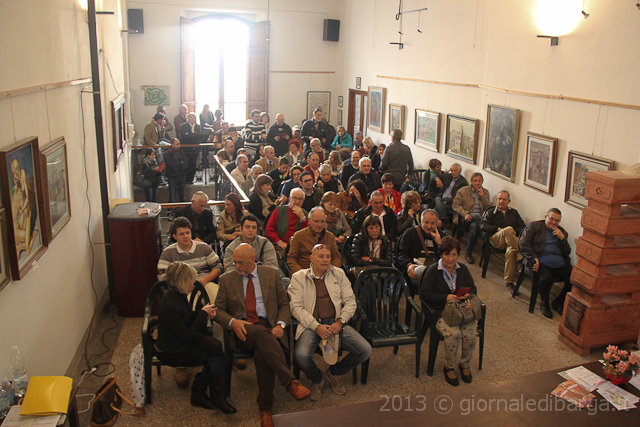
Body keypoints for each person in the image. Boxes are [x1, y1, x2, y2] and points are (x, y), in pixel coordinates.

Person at [214, 244, 311, 427]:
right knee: (260, 334)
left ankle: (265, 409)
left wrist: (280, 324)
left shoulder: (271, 274)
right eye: (235, 263)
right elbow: (218, 310)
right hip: (243, 328)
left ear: (252, 259)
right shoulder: (227, 279)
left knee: (262, 354)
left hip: (269, 325)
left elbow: (284, 304)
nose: (237, 266)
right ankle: (291, 381)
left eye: (241, 262)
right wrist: (233, 322)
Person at [288, 244, 372, 402]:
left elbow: (350, 301)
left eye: (328, 256)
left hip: (336, 323)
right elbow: (296, 308)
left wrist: (341, 321)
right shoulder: (299, 277)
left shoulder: (338, 273)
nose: (325, 259)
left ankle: (334, 373)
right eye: (321, 256)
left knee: (365, 350)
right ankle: (317, 378)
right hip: (311, 324)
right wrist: (316, 326)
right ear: (312, 259)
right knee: (301, 356)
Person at [155, 262, 236, 413]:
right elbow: (186, 336)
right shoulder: (170, 305)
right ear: (181, 283)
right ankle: (201, 392)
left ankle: (216, 395)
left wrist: (202, 313)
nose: (194, 283)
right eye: (190, 281)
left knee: (217, 346)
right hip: (172, 350)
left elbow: (185, 317)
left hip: (180, 339)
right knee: (213, 357)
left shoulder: (177, 296)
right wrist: (203, 315)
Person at [419, 237, 478, 387]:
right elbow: (424, 293)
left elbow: (473, 289)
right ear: (441, 254)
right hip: (441, 311)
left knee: (471, 334)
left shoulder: (463, 269)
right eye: (447, 254)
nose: (450, 259)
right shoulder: (433, 271)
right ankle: (449, 366)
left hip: (461, 311)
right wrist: (446, 297)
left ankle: (464, 364)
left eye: (454, 254)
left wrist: (466, 295)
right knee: (454, 334)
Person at [519, 208, 573, 319]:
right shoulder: (534, 226)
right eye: (551, 219)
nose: (554, 222)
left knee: (574, 277)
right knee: (546, 278)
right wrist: (534, 257)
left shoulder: (561, 232)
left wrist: (562, 239)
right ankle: (545, 303)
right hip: (539, 262)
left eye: (557, 220)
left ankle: (559, 301)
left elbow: (567, 252)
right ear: (545, 217)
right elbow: (523, 244)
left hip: (558, 264)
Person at [480, 191, 526, 290]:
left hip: (510, 241)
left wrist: (512, 232)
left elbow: (523, 227)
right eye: (499, 199)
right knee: (508, 229)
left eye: (504, 199)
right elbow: (483, 226)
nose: (501, 201)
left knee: (511, 251)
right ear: (497, 199)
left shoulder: (514, 213)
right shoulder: (491, 212)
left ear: (509, 201)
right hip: (496, 239)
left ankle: (509, 282)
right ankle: (521, 258)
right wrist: (497, 229)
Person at [287, 207, 341, 274]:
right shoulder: (298, 236)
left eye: (322, 221)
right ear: (309, 221)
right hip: (304, 272)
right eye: (316, 221)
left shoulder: (330, 237)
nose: (319, 225)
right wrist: (301, 274)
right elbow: (291, 259)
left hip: (326, 273)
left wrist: (332, 272)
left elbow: (336, 257)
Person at [453, 172, 491, 265]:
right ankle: (485, 238)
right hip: (464, 218)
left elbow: (489, 209)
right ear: (471, 181)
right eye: (475, 181)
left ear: (482, 181)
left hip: (478, 220)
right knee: (477, 216)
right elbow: (456, 206)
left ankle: (468, 253)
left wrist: (482, 196)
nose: (477, 183)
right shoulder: (463, 191)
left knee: (474, 226)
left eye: (479, 181)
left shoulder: (485, 192)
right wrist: (465, 214)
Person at [398, 210, 442, 288]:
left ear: (437, 223)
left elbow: (448, 257)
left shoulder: (441, 235)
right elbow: (402, 254)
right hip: (416, 269)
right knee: (422, 271)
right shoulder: (410, 233)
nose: (429, 226)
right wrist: (409, 265)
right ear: (421, 221)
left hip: (435, 269)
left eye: (432, 223)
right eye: (426, 222)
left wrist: (440, 243)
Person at [265, 188, 309, 257]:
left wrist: (302, 218)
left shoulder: (305, 214)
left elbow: (306, 235)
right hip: (280, 246)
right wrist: (279, 241)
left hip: (298, 247)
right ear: (290, 198)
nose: (297, 201)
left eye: (300, 199)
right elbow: (269, 229)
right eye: (295, 198)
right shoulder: (279, 210)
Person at [164, 138, 189, 202]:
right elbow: (170, 165)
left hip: (181, 175)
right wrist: (180, 163)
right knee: (172, 197)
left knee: (183, 197)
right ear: (172, 145)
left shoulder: (181, 152)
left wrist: (178, 167)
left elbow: (186, 163)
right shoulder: (167, 154)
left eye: (179, 144)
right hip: (172, 176)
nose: (179, 146)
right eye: (177, 144)